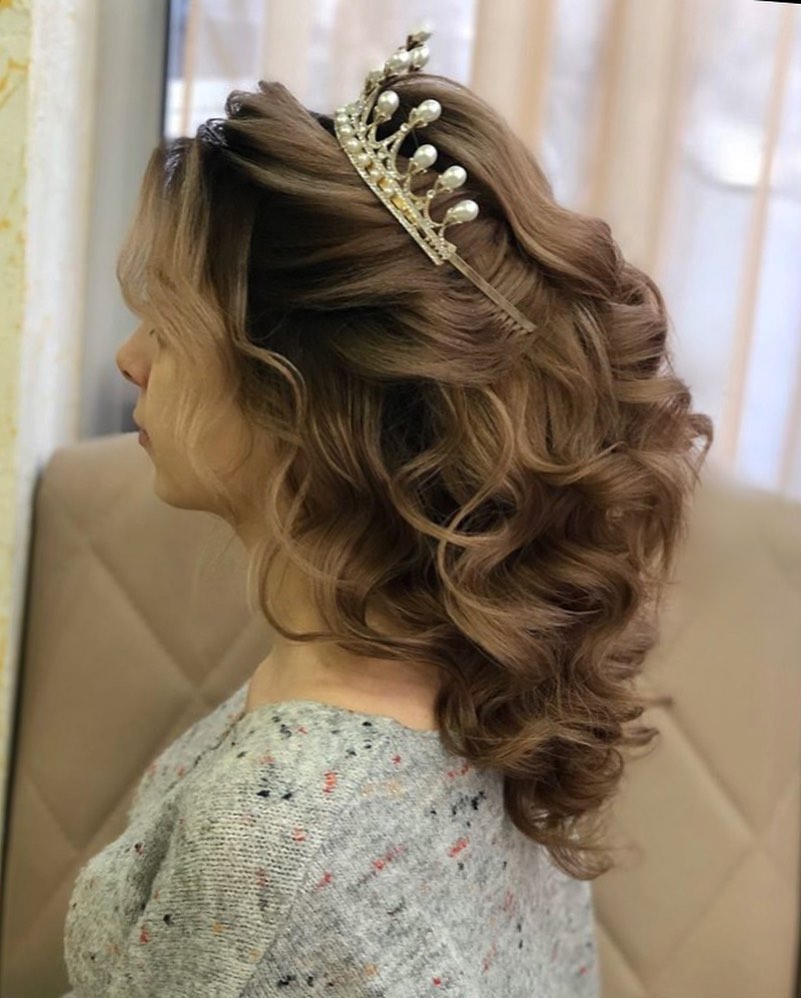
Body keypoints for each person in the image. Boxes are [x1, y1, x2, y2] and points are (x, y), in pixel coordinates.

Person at [61, 25, 713, 998]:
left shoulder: (274, 835)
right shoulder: (482, 681)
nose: (131, 359)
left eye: (167, 319)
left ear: (300, 396)